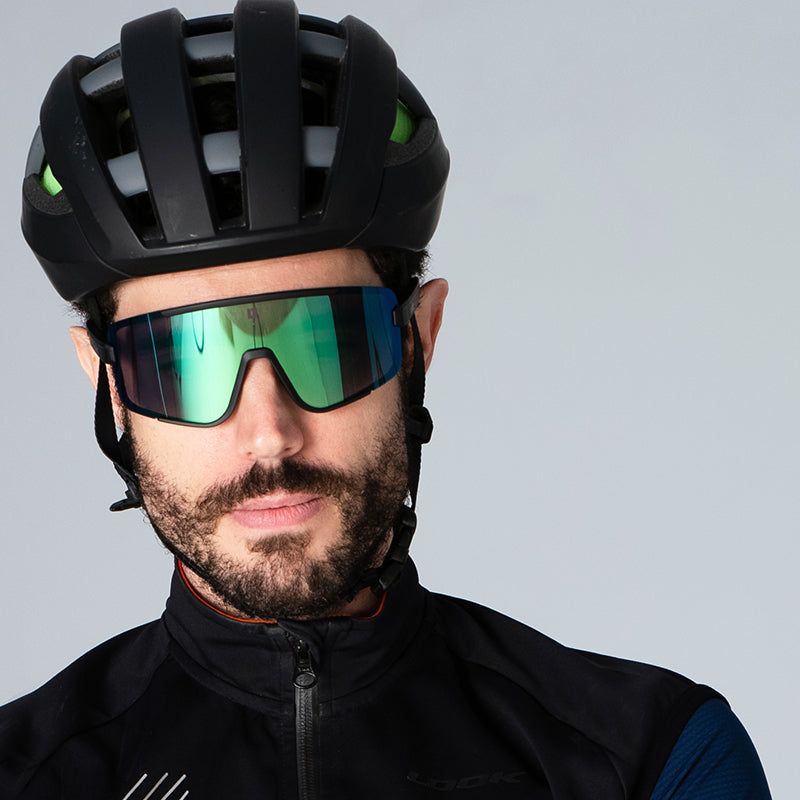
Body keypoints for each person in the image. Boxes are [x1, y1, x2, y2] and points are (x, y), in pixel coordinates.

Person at [1, 1, 773, 797]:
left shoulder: (655, 761)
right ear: (109, 386)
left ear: (417, 340)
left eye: (327, 345)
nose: (269, 434)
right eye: (185, 364)